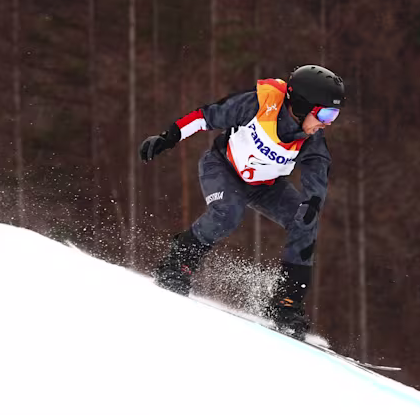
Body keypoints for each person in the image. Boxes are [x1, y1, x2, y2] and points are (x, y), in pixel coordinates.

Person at [139, 64, 345, 339]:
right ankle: (177, 263)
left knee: (305, 222)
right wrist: (169, 137)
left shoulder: (313, 141)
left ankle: (286, 304)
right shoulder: (260, 105)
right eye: (326, 113)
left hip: (266, 187)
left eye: (335, 114)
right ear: (301, 105)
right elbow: (206, 116)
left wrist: (311, 206)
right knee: (228, 213)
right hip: (223, 168)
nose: (328, 122)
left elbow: (316, 181)